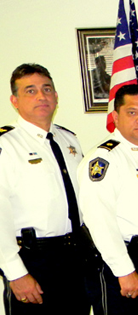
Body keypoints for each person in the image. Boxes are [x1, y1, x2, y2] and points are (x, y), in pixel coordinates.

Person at [77, 84, 138, 314]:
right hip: (121, 263)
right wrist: (124, 270)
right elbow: (99, 220)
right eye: (132, 112)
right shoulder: (104, 160)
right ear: (115, 117)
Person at [0, 64, 89, 314]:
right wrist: (16, 273)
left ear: (56, 97)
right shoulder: (6, 146)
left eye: (47, 89)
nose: (41, 96)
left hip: (75, 256)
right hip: (32, 259)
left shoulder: (68, 139)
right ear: (14, 101)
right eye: (30, 91)